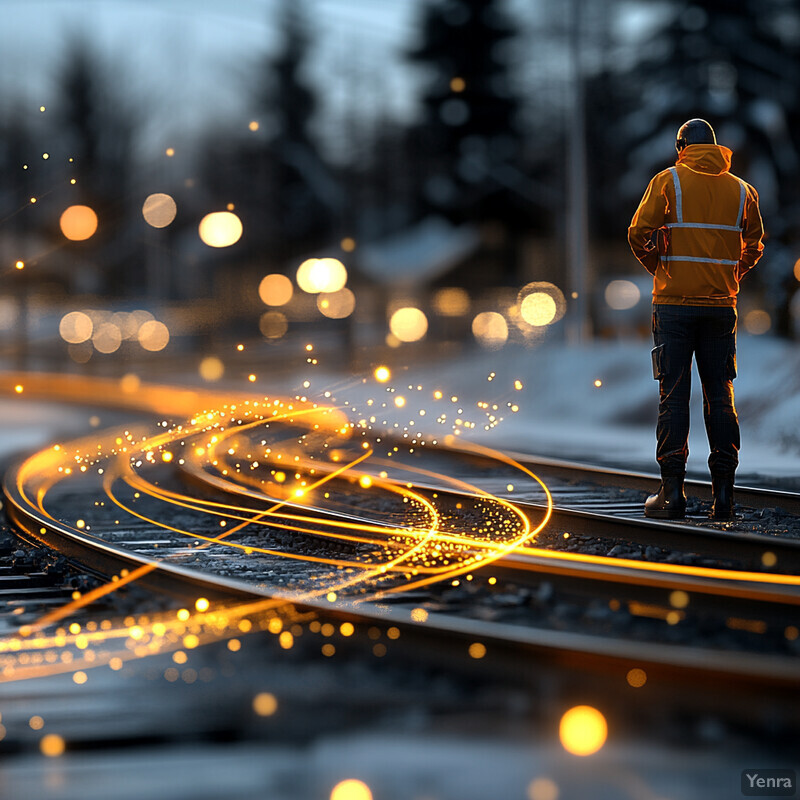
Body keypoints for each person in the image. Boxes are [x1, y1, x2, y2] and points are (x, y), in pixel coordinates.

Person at [628, 118, 764, 520]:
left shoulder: (668, 180)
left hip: (673, 306)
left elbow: (638, 232)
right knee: (720, 395)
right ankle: (724, 496)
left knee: (673, 396)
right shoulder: (743, 190)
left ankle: (672, 494)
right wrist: (732, 273)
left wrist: (658, 265)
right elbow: (755, 243)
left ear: (681, 146)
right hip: (722, 307)